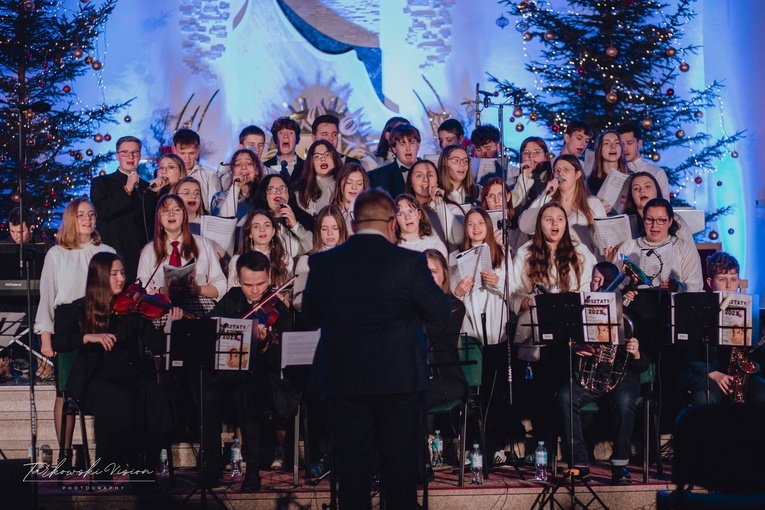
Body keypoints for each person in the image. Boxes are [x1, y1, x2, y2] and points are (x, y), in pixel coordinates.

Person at [302, 188, 451, 510]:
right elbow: (440, 312)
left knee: (353, 473)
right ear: (392, 223)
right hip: (399, 381)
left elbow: (310, 316)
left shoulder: (324, 263)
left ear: (353, 223)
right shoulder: (409, 262)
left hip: (344, 379)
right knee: (399, 472)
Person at [52, 252, 182, 487]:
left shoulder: (132, 309)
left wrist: (171, 326)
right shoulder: (80, 308)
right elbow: (58, 342)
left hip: (129, 375)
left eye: (122, 273)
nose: (121, 279)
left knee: (160, 398)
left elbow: (158, 345)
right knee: (121, 399)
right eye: (114, 274)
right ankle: (105, 467)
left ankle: (144, 468)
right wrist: (89, 337)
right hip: (95, 380)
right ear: (99, 277)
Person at [34, 198, 116, 469]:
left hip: (100, 317)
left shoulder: (106, 250)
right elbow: (47, 296)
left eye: (91, 214)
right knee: (64, 391)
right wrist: (46, 337)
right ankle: (65, 454)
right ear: (71, 218)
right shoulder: (57, 254)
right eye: (81, 215)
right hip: (69, 322)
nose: (88, 219)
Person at [201, 251, 293, 491]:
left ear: (270, 276)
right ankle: (210, 466)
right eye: (247, 284)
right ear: (238, 280)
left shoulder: (279, 311)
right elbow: (210, 326)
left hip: (265, 379)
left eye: (260, 284)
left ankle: (253, 470)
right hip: (233, 372)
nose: (254, 291)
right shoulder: (232, 298)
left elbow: (278, 361)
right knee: (210, 393)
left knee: (245, 394)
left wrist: (263, 345)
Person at [555, 264, 650, 486]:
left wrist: (636, 354)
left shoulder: (633, 316)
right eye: (597, 280)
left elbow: (646, 363)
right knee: (565, 396)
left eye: (608, 280)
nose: (602, 285)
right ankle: (579, 462)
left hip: (623, 377)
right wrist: (573, 347)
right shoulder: (578, 314)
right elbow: (558, 353)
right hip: (588, 376)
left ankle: (619, 465)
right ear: (590, 283)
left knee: (626, 400)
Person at [677, 252, 765, 406]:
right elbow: (688, 352)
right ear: (710, 282)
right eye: (722, 279)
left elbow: (758, 351)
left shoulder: (750, 309)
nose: (729, 285)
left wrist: (756, 345)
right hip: (706, 373)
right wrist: (714, 374)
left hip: (740, 372)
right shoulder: (696, 309)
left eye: (733, 279)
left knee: (761, 395)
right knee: (705, 399)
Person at [137, 194, 227, 316]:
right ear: (159, 218)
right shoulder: (149, 251)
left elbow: (220, 284)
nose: (171, 214)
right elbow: (140, 291)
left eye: (177, 210)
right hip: (163, 308)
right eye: (165, 210)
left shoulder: (203, 244)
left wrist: (198, 289)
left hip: (199, 305)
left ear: (184, 215)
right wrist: (162, 291)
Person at [90, 135, 162, 282]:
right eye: (125, 153)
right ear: (117, 156)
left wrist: (153, 195)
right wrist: (126, 190)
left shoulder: (145, 186)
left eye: (135, 153)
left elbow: (148, 222)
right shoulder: (101, 182)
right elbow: (102, 212)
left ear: (140, 156)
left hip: (139, 255)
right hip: (112, 252)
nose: (130, 156)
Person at [519, 154, 607, 258]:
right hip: (551, 263)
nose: (561, 173)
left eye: (566, 169)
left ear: (577, 174)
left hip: (582, 263)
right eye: (557, 170)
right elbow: (525, 227)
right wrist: (545, 195)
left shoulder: (593, 204)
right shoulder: (547, 203)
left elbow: (603, 242)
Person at [614, 198, 702, 293]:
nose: (654, 225)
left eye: (661, 220)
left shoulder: (683, 248)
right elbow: (612, 283)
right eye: (649, 219)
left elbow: (695, 285)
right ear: (643, 220)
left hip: (671, 306)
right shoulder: (628, 247)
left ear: (670, 222)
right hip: (633, 306)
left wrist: (677, 287)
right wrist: (624, 291)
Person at [293, 205, 349, 312]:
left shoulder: (351, 258)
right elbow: (297, 303)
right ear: (318, 230)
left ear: (341, 229)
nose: (330, 233)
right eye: (324, 228)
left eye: (335, 227)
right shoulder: (306, 260)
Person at [250, 174, 314, 259]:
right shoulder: (252, 219)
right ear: (264, 195)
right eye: (272, 189)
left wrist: (295, 226)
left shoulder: (303, 219)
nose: (278, 192)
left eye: (283, 188)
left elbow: (311, 248)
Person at [405, 159, 465, 249]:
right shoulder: (404, 213)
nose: (425, 179)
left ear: (437, 181)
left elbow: (457, 239)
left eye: (430, 175)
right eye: (419, 176)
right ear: (411, 183)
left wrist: (439, 204)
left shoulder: (452, 208)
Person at [623, 172, 695, 247]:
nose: (641, 190)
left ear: (657, 190)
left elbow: (691, 254)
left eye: (647, 186)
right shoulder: (625, 223)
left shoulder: (675, 220)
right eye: (636, 188)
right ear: (631, 195)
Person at [227, 209, 293, 290]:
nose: (262, 230)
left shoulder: (284, 258)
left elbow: (288, 291)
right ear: (250, 233)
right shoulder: (237, 260)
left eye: (267, 225)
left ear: (273, 231)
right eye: (256, 226)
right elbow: (232, 294)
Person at [172, 128, 221, 211]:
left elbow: (215, 208)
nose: (187, 158)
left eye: (191, 153)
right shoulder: (168, 174)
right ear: (174, 150)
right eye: (182, 153)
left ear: (198, 150)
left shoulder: (209, 175)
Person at [616, 122, 669, 199]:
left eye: (629, 143)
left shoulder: (656, 173)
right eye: (621, 144)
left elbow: (664, 205)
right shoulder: (615, 172)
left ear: (639, 143)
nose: (625, 148)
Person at [368, 123, 421, 198]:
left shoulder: (431, 172)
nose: (408, 148)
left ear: (418, 145)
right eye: (402, 144)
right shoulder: (377, 177)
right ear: (394, 148)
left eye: (412, 143)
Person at [210, 149, 263, 222]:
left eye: (249, 163)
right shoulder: (220, 197)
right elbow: (224, 221)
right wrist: (236, 186)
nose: (244, 167)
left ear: (256, 170)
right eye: (238, 164)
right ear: (232, 171)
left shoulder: (263, 197)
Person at [293, 139, 340, 216]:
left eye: (327, 154)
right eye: (317, 156)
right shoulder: (301, 190)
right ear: (311, 162)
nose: (323, 159)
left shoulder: (345, 185)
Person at [586, 130, 630, 205]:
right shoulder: (589, 183)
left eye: (617, 143)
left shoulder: (631, 178)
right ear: (599, 150)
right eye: (606, 143)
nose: (613, 146)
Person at [330, 162, 369, 232]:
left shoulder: (370, 215)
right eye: (349, 182)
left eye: (359, 184)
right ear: (339, 183)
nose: (354, 187)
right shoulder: (330, 213)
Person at [262, 116, 304, 182]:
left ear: (297, 139)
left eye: (290, 133)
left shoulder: (307, 167)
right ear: (275, 139)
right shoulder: (265, 168)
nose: (285, 136)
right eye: (281, 133)